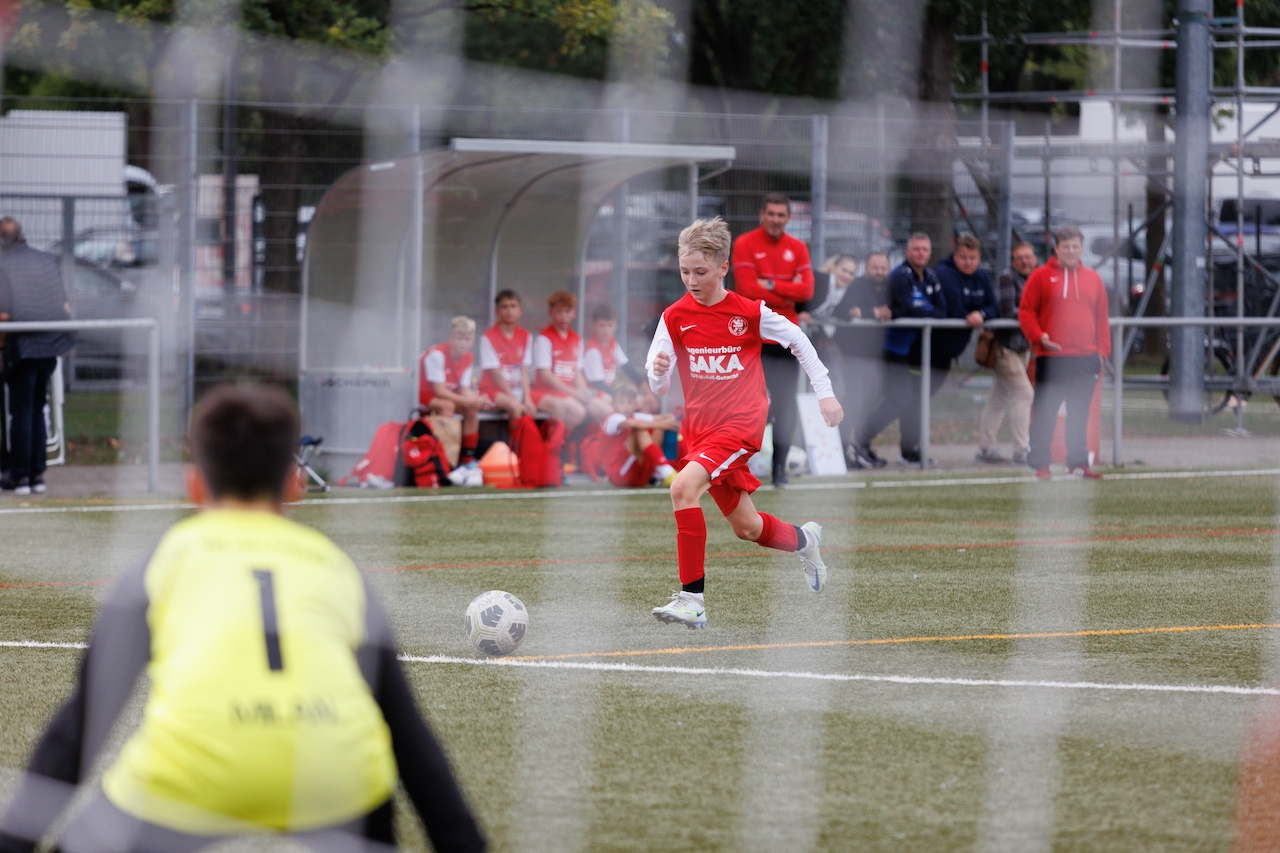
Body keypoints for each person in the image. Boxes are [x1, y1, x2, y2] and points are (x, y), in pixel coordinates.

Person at [0, 385, 486, 853]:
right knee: (364, 784)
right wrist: (463, 843)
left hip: (192, 773)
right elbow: (406, 729)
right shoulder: (337, 567)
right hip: (332, 776)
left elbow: (83, 720)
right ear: (294, 486)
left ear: (194, 486)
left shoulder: (164, 560)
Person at [646, 217, 842, 629]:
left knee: (682, 488)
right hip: (700, 431)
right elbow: (658, 383)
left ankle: (692, 600)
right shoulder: (674, 316)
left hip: (739, 425)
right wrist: (659, 371)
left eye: (701, 272)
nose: (692, 281)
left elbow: (798, 340)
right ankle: (806, 541)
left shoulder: (748, 312)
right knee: (748, 528)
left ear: (723, 267)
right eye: (684, 272)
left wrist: (824, 392)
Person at [730, 193, 814, 488]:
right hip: (752, 338)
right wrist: (787, 292)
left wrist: (768, 284)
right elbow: (747, 289)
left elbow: (807, 291)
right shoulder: (745, 243)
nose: (776, 220)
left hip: (786, 340)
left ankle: (779, 471)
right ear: (761, 215)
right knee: (748, 405)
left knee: (785, 406)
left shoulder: (798, 247)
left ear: (789, 218)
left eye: (781, 215)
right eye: (771, 214)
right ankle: (735, 467)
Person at [1019, 224, 1110, 480]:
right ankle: (1041, 465)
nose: (1071, 251)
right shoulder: (1040, 276)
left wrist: (1102, 351)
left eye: (1075, 246)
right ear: (1056, 249)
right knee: (1045, 414)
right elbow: (1026, 311)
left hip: (1085, 359)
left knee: (1079, 415)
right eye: (1066, 247)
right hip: (1052, 359)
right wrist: (1039, 337)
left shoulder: (1093, 278)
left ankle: (1078, 464)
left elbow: (1101, 317)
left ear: (1081, 248)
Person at [855, 233, 947, 467]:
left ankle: (894, 448)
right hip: (887, 349)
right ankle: (859, 439)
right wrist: (925, 310)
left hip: (906, 351)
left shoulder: (931, 276)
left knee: (905, 399)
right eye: (916, 249)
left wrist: (921, 310)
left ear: (930, 253)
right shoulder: (899, 276)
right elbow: (906, 308)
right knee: (899, 398)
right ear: (907, 252)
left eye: (924, 249)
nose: (920, 253)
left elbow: (942, 311)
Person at [0, 217, 74, 495]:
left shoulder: (5, 264)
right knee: (37, 407)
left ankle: (19, 476)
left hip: (22, 346)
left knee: (20, 410)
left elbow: (4, 314)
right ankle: (37, 475)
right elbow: (64, 305)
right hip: (49, 345)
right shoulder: (46, 260)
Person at [828, 252, 892, 469]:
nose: (879, 272)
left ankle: (859, 447)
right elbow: (846, 310)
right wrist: (872, 312)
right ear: (866, 269)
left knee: (868, 404)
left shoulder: (888, 288)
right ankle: (840, 451)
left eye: (883, 268)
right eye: (875, 267)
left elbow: (901, 307)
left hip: (876, 358)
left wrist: (887, 312)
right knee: (852, 403)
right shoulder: (855, 286)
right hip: (852, 356)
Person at [976, 241, 1037, 464]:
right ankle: (1021, 451)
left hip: (1023, 348)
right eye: (1020, 258)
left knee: (998, 400)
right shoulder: (1006, 277)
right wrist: (1037, 315)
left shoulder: (1035, 278)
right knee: (1024, 395)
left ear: (1035, 259)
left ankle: (985, 449)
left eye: (1028, 257)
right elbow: (1009, 311)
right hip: (1005, 348)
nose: (1024, 261)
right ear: (1012, 261)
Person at [532, 290, 611, 434]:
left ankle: (591, 443)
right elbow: (545, 376)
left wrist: (584, 392)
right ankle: (556, 444)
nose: (563, 316)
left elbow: (577, 373)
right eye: (558, 311)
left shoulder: (577, 339)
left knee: (606, 404)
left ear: (574, 313)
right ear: (550, 313)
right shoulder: (545, 338)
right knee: (578, 411)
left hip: (570, 391)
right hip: (548, 390)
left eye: (567, 311)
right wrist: (575, 393)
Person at [419, 315, 485, 468]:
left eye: (467, 339)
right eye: (459, 338)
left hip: (446, 395)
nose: (463, 343)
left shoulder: (469, 357)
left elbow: (464, 389)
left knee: (472, 409)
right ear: (450, 338)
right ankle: (443, 460)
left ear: (472, 341)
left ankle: (468, 460)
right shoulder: (437, 355)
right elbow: (440, 391)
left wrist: (477, 400)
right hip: (423, 393)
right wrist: (468, 400)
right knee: (447, 406)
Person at [933, 233, 998, 385]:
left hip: (951, 348)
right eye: (963, 257)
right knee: (916, 391)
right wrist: (972, 316)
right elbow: (955, 310)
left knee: (930, 389)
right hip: (931, 346)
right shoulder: (944, 273)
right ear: (955, 256)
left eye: (972, 258)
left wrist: (981, 314)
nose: (968, 262)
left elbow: (993, 306)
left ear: (979, 258)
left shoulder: (981, 276)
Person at [599, 384, 679, 488]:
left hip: (638, 475)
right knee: (639, 429)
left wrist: (670, 418)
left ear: (635, 405)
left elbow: (658, 418)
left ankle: (661, 471)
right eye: (621, 402)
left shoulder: (635, 416)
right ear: (613, 404)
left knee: (658, 429)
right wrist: (662, 423)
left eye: (630, 402)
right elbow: (630, 423)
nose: (626, 406)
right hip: (618, 475)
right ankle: (667, 471)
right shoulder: (613, 418)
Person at [477, 289, 536, 421]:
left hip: (515, 389)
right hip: (492, 390)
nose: (509, 311)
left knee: (531, 408)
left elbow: (524, 370)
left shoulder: (526, 336)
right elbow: (496, 374)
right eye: (504, 307)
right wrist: (515, 399)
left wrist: (527, 398)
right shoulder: (488, 337)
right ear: (497, 312)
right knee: (515, 406)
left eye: (513, 306)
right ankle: (516, 436)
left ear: (520, 310)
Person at [582, 303, 646, 392]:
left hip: (609, 390)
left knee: (641, 397)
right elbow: (598, 383)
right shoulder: (592, 349)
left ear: (615, 326)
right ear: (594, 326)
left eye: (610, 325)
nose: (606, 330)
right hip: (595, 392)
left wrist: (646, 389)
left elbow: (627, 367)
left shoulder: (612, 343)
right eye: (602, 325)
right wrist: (617, 396)